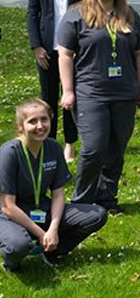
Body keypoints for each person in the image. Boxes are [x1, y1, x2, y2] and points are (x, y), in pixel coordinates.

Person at [58, 0, 140, 214]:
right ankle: (82, 201)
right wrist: (68, 90)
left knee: (116, 148)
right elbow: (65, 55)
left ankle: (107, 199)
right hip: (90, 92)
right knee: (94, 147)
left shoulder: (129, 15)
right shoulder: (77, 14)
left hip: (124, 92)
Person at [0, 99, 107, 272]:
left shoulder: (54, 147)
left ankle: (50, 252)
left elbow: (58, 194)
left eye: (44, 119)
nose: (40, 126)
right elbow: (8, 207)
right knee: (17, 245)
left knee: (97, 215)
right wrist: (42, 234)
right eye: (32, 121)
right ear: (21, 126)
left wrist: (53, 229)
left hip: (41, 208)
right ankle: (12, 262)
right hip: (9, 215)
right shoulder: (9, 153)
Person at [27, 0, 89, 163]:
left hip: (73, 50)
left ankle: (70, 144)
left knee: (70, 97)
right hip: (47, 50)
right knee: (49, 98)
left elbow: (87, 13)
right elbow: (32, 13)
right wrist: (36, 46)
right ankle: (50, 144)